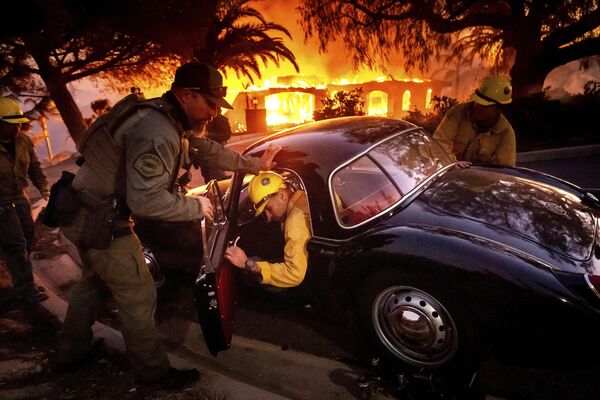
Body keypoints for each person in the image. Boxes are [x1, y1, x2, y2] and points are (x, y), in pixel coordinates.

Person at [56, 62, 280, 388]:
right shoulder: (157, 130)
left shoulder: (166, 117)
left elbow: (207, 150)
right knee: (138, 294)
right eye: (210, 103)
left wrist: (256, 164)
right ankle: (153, 373)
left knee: (92, 285)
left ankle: (70, 353)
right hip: (102, 222)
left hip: (85, 213)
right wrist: (195, 206)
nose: (215, 113)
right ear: (186, 95)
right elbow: (145, 201)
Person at [0, 97, 49, 303]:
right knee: (16, 244)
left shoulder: (23, 141)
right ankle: (25, 289)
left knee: (29, 238)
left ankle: (23, 277)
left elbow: (35, 167)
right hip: (1, 202)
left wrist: (44, 189)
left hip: (21, 196)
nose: (18, 127)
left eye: (19, 122)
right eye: (12, 124)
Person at [225, 171, 311, 288]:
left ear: (281, 195)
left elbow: (294, 274)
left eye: (269, 208)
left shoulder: (295, 224)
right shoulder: (306, 195)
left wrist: (248, 264)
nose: (269, 217)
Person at [433, 76, 516, 167]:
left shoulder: (505, 132)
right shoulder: (458, 113)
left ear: (498, 109)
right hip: (450, 172)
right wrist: (451, 162)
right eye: (477, 101)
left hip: (479, 178)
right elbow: (438, 142)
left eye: (484, 106)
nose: (477, 107)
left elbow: (505, 169)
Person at [198, 109, 233, 182]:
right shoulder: (204, 118)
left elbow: (226, 134)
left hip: (215, 151)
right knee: (208, 175)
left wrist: (209, 135)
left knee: (217, 176)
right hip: (205, 151)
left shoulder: (221, 119)